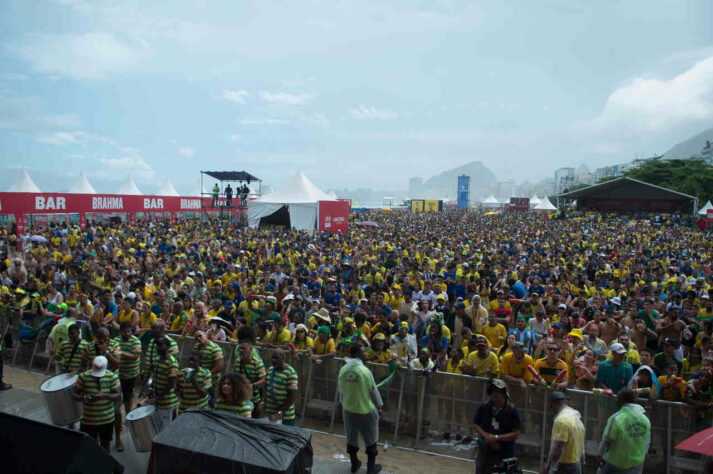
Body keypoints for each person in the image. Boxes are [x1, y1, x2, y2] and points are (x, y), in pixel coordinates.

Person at [338, 343, 384, 474]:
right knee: (371, 440)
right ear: (358, 354)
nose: (365, 354)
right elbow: (373, 392)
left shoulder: (343, 370)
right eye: (363, 352)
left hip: (349, 410)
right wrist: (379, 408)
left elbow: (340, 391)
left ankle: (354, 464)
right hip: (366, 411)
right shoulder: (364, 371)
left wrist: (344, 405)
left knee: (351, 438)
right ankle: (370, 469)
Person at [72, 356, 121, 452]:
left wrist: (104, 396)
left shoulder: (112, 376)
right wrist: (84, 398)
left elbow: (118, 395)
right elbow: (74, 394)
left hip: (106, 420)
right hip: (88, 420)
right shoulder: (83, 376)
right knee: (90, 448)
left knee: (105, 447)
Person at [473, 378, 522, 473]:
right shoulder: (484, 406)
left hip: (505, 450)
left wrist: (496, 438)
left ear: (504, 393)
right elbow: (476, 424)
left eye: (498, 392)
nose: (495, 394)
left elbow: (516, 433)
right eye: (493, 391)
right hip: (486, 449)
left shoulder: (512, 410)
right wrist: (486, 436)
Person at [598, 388, 651, 474]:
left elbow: (606, 440)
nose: (616, 400)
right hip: (636, 463)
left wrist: (600, 455)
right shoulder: (645, 419)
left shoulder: (616, 418)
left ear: (623, 400)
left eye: (618, 398)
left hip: (615, 463)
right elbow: (647, 442)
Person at [114, 321, 141, 450]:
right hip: (118, 374)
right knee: (118, 399)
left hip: (130, 374)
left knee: (128, 396)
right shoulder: (116, 340)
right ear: (120, 332)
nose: (128, 334)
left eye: (129, 331)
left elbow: (135, 356)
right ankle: (118, 421)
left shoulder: (136, 341)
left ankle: (128, 415)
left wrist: (121, 353)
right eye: (125, 332)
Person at [543, 391, 585, 474]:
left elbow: (559, 447)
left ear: (554, 403)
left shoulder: (561, 420)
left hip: (565, 466)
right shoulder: (576, 417)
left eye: (551, 406)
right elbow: (582, 446)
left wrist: (548, 468)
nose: (552, 409)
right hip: (576, 465)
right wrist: (582, 464)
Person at [234, 326, 266, 417]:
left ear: (250, 349)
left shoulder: (257, 363)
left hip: (255, 397)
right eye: (240, 348)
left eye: (243, 349)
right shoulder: (237, 361)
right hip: (241, 395)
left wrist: (252, 385)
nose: (241, 351)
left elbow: (263, 379)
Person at [262, 349, 298, 426]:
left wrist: (280, 413)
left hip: (286, 417)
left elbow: (292, 396)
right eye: (272, 358)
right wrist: (263, 402)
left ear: (283, 358)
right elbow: (266, 387)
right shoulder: (270, 370)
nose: (273, 360)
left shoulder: (291, 373)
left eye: (276, 358)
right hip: (270, 415)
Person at [150, 336, 179, 431]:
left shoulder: (172, 363)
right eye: (157, 345)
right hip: (158, 400)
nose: (158, 348)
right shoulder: (158, 359)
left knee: (165, 429)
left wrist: (157, 397)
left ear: (167, 347)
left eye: (160, 345)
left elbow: (170, 384)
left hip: (166, 402)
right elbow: (155, 376)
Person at [193, 330, 225, 407]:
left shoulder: (215, 348)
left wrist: (207, 374)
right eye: (196, 338)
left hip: (213, 381)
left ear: (205, 334)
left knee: (213, 402)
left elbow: (220, 366)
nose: (198, 339)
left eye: (200, 336)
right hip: (200, 380)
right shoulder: (196, 347)